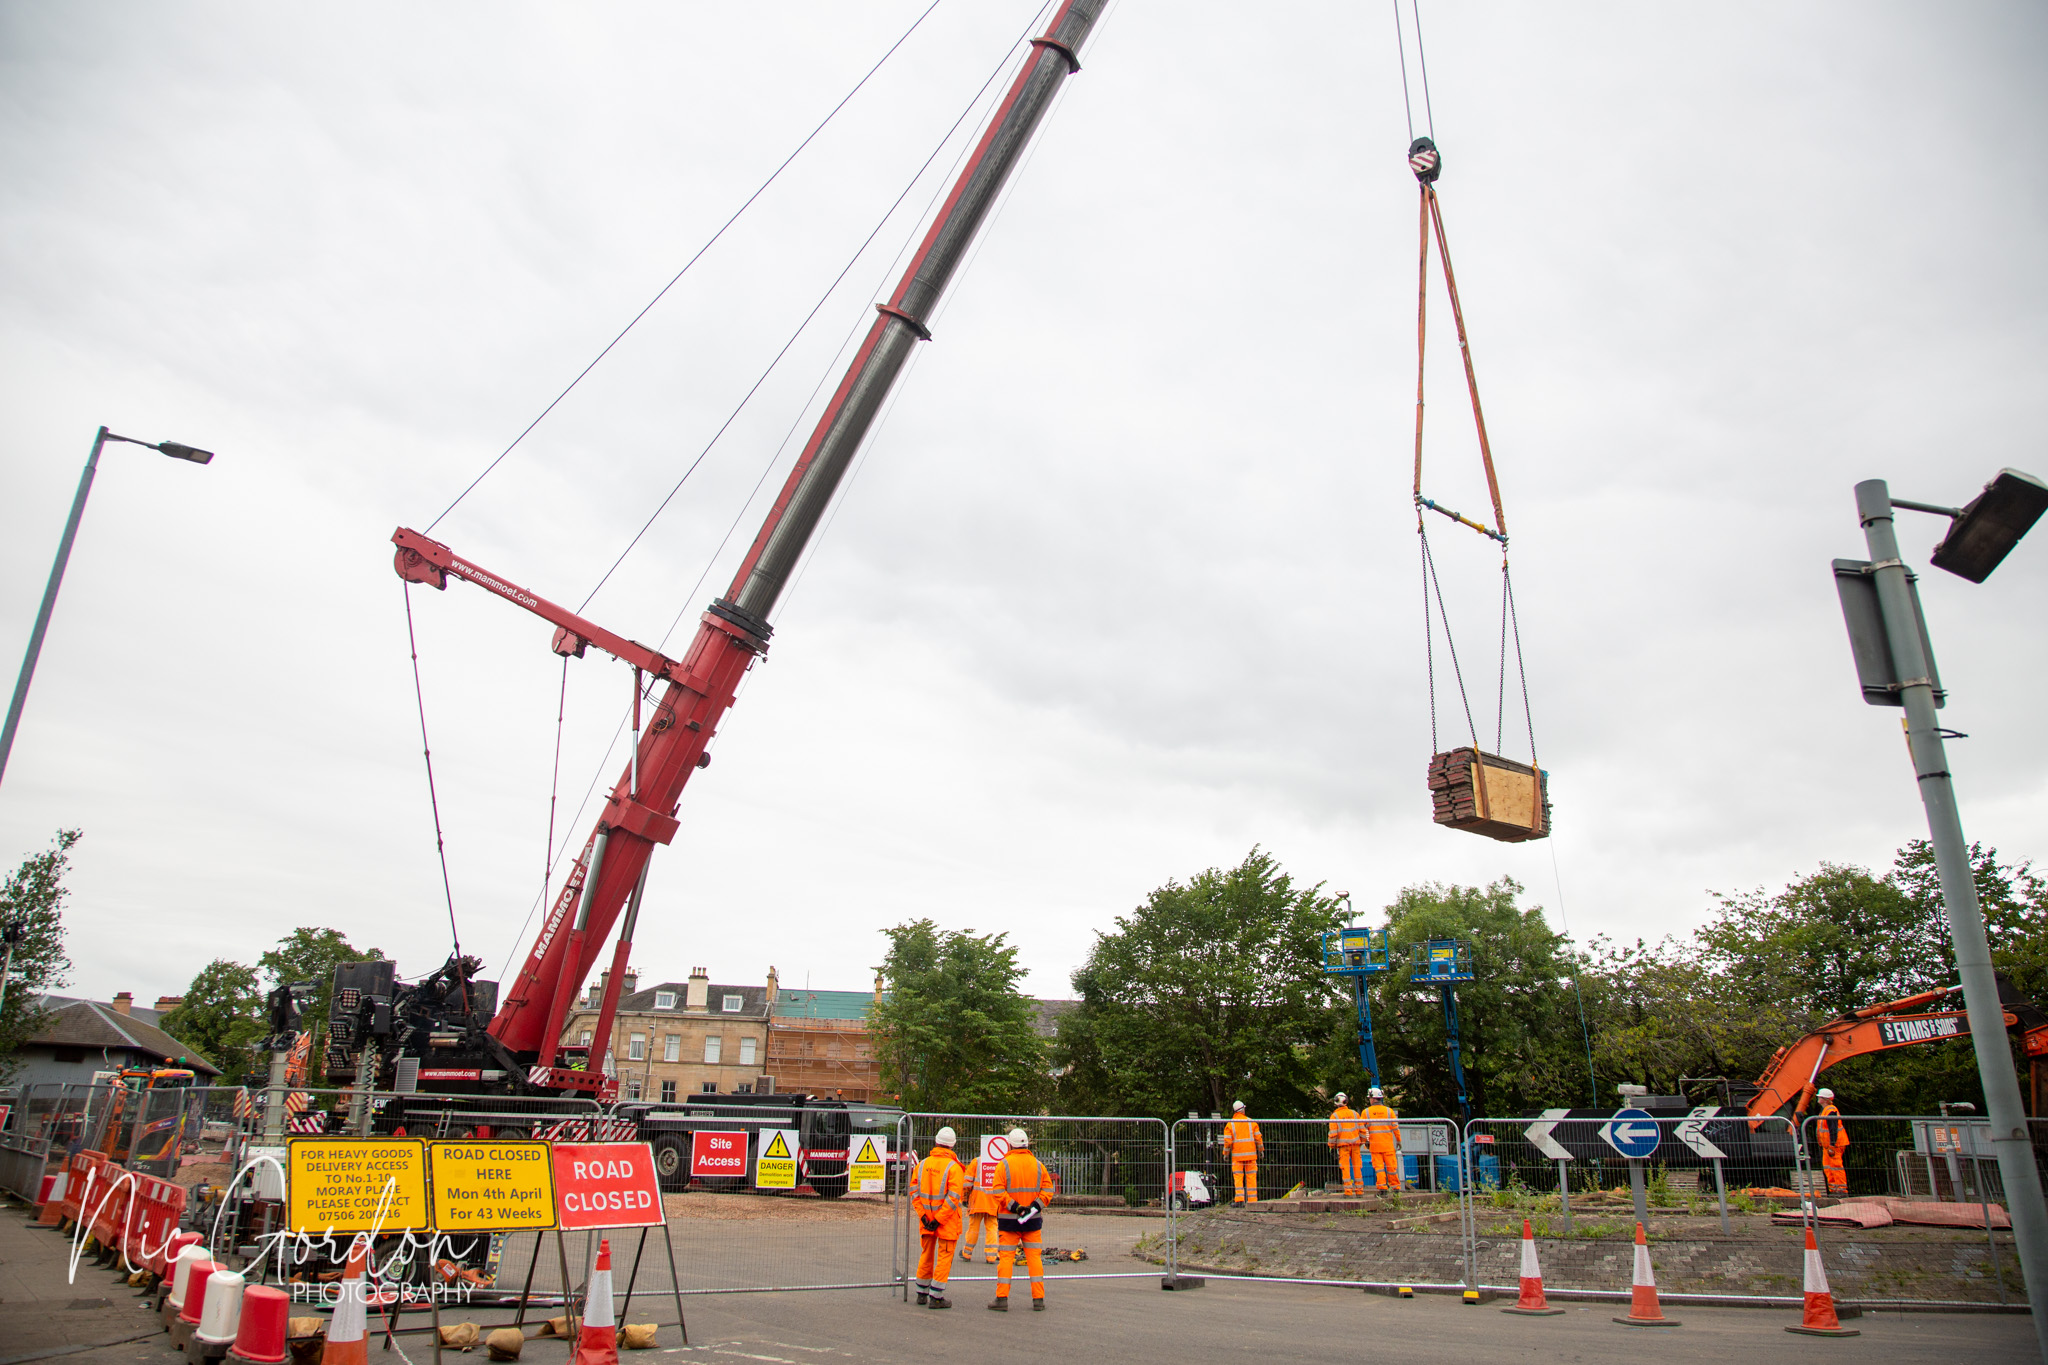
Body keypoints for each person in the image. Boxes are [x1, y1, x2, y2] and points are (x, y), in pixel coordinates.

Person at [988, 1126, 1051, 1312]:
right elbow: (1048, 1190)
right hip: (1032, 1221)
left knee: (1006, 1259)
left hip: (1009, 1221)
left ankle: (1002, 1299)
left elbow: (997, 1191)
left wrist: (1015, 1207)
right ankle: (1038, 1299)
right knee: (1034, 1259)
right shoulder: (1038, 1165)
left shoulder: (1003, 1165)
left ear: (1010, 1145)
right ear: (1027, 1145)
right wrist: (1033, 1207)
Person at [912, 1126, 967, 1309]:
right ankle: (936, 1297)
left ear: (936, 1142)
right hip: (945, 1222)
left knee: (926, 1254)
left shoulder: (922, 1164)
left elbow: (913, 1192)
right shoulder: (954, 1167)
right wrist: (939, 1219)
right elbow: (953, 1198)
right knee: (944, 1257)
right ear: (953, 1145)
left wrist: (924, 1216)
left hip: (926, 1221)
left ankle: (922, 1292)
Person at [960, 1139, 1000, 1265]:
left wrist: (965, 1198)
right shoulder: (999, 1163)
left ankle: (967, 1252)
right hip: (993, 1202)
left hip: (977, 1201)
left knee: (973, 1228)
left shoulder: (976, 1162)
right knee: (992, 1228)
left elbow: (967, 1183)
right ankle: (991, 1256)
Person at [1363, 1087, 1402, 1193]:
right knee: (1392, 1168)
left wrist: (1366, 1141)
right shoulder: (1389, 1111)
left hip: (1375, 1146)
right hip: (1388, 1145)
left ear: (1372, 1099)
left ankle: (1382, 1188)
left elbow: (1363, 1129)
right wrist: (1398, 1140)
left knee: (1379, 1168)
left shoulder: (1366, 1112)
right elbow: (1395, 1128)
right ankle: (1395, 1188)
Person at [1223, 1101, 1263, 1204]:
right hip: (1251, 1156)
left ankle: (1240, 1200)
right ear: (1243, 1110)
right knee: (1251, 1178)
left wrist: (1226, 1154)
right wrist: (1261, 1150)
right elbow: (1258, 1138)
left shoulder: (1230, 1124)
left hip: (1237, 1157)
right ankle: (1252, 1201)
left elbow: (1227, 1142)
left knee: (1238, 1178)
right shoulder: (1251, 1122)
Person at [1327, 1092, 1364, 1197]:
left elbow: (1333, 1134)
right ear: (1346, 1101)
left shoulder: (1335, 1116)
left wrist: (1331, 1147)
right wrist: (1362, 1142)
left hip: (1343, 1146)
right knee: (1357, 1167)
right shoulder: (1355, 1114)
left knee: (1345, 1168)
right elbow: (1362, 1130)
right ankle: (1359, 1191)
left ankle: (1348, 1191)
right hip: (1355, 1145)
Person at [1816, 1088, 1850, 1196]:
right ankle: (1834, 1189)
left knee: (1836, 1166)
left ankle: (1841, 1190)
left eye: (1820, 1097)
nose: (1818, 1098)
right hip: (1828, 1145)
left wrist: (1832, 1144)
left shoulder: (1831, 1110)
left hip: (1835, 1144)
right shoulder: (1825, 1110)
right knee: (1828, 1167)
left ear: (1825, 1099)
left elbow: (1833, 1129)